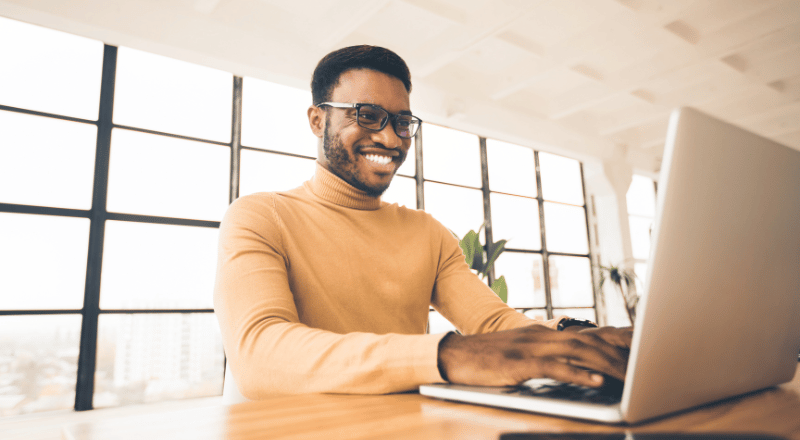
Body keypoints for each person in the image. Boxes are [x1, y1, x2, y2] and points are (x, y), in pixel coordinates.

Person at [213, 45, 632, 400]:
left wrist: (578, 336)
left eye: (401, 122)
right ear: (318, 120)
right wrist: (447, 355)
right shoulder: (260, 215)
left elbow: (494, 324)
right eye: (367, 114)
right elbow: (258, 351)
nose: (392, 139)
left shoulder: (427, 233)